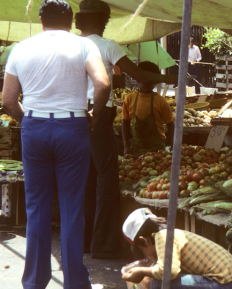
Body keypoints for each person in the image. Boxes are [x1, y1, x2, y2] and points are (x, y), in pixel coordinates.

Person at [2, 0, 110, 289]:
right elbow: (102, 85)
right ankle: (75, 284)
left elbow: (9, 100)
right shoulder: (84, 46)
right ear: (72, 20)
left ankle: (34, 285)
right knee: (72, 207)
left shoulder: (20, 48)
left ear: (41, 21)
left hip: (35, 128)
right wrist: (95, 115)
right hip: (73, 128)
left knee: (36, 207)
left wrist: (30, 121)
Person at [75, 0, 177, 260]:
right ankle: (103, 245)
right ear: (102, 21)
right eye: (107, 20)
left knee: (85, 179)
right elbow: (141, 76)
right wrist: (169, 78)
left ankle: (85, 242)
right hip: (97, 116)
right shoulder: (107, 45)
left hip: (74, 117)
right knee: (106, 179)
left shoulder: (71, 45)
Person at [122, 62, 175, 156]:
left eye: (151, 80)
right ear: (138, 78)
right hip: (136, 148)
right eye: (144, 79)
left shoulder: (160, 101)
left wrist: (173, 145)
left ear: (156, 81)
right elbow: (125, 124)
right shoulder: (129, 99)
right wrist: (126, 146)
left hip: (157, 149)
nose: (147, 83)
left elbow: (171, 125)